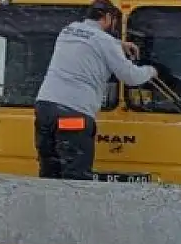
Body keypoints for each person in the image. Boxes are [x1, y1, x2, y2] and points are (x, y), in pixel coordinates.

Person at [34, 0, 157, 180]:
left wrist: (119, 44)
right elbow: (130, 76)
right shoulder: (106, 42)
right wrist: (151, 71)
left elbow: (90, 39)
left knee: (49, 171)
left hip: (44, 108)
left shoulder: (68, 30)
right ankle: (72, 207)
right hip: (73, 114)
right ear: (107, 17)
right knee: (75, 175)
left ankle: (47, 207)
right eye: (114, 20)